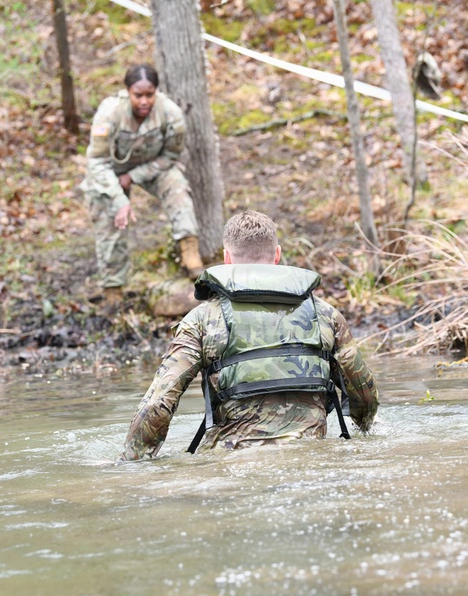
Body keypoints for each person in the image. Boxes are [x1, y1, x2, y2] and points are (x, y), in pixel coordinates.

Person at [119, 210, 379, 461]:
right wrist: (365, 430)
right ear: (277, 255)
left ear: (226, 259)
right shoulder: (325, 315)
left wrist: (131, 463)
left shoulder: (201, 319)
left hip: (231, 465)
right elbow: (364, 396)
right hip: (311, 458)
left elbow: (158, 404)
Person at [81, 64, 205, 308]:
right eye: (138, 95)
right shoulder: (110, 113)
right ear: (128, 92)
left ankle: (191, 256)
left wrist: (134, 176)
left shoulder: (170, 114)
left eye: (150, 94)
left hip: (151, 166)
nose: (144, 101)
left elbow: (170, 157)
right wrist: (120, 199)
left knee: (177, 187)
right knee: (112, 221)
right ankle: (113, 290)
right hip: (109, 174)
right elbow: (96, 162)